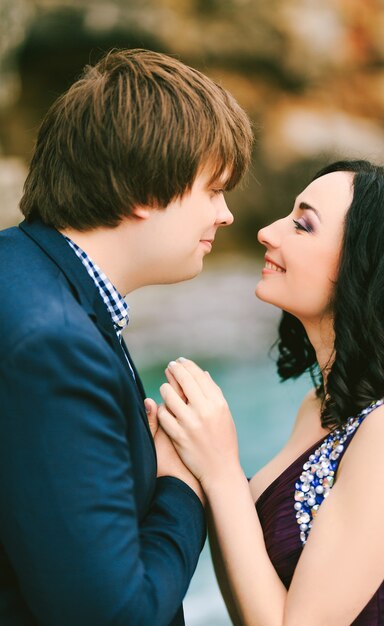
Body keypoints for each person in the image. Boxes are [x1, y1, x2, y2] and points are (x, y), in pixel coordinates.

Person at [0, 48, 252, 626]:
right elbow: (115, 616)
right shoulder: (53, 345)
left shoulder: (22, 269)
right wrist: (182, 483)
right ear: (144, 191)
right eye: (213, 189)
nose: (227, 215)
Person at [153, 160, 384, 625]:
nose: (267, 232)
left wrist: (220, 468)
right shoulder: (317, 407)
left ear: (364, 262)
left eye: (302, 224)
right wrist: (195, 470)